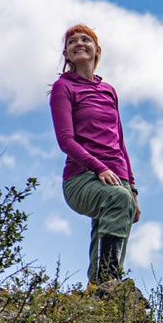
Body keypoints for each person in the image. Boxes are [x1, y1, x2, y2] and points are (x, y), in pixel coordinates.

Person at [49, 24, 140, 284]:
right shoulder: (63, 87)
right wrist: (98, 168)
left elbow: (120, 142)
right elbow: (65, 140)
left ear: (97, 50)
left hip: (117, 177)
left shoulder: (108, 90)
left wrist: (132, 188)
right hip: (82, 177)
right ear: (66, 54)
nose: (79, 43)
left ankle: (100, 295)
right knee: (118, 200)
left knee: (113, 218)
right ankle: (111, 281)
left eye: (85, 39)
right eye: (72, 41)